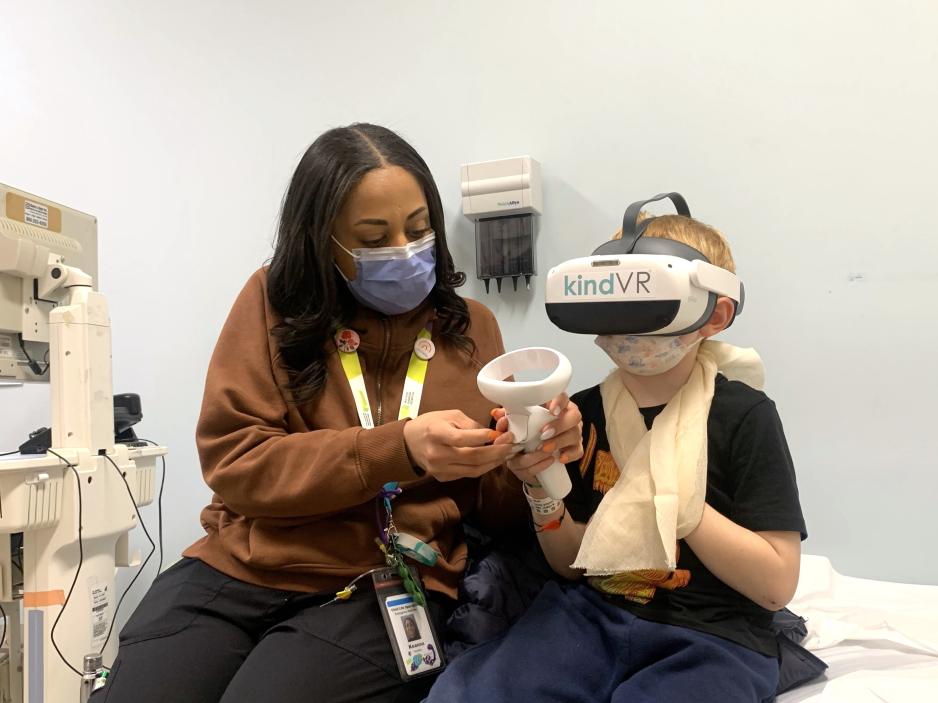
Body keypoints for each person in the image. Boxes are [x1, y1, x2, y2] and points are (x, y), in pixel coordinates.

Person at [93, 123, 583, 703]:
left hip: (387, 579)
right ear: (322, 239)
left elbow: (495, 512)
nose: (403, 249)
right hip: (242, 566)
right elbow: (237, 463)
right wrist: (399, 447)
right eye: (374, 238)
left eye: (420, 229)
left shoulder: (471, 326)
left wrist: (530, 455)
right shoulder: (272, 301)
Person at [427, 210, 806, 702]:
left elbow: (776, 586)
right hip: (590, 618)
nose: (626, 323)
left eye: (645, 303)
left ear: (714, 316)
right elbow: (572, 565)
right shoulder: (580, 415)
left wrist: (671, 497)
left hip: (713, 636)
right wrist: (541, 483)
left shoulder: (744, 415)